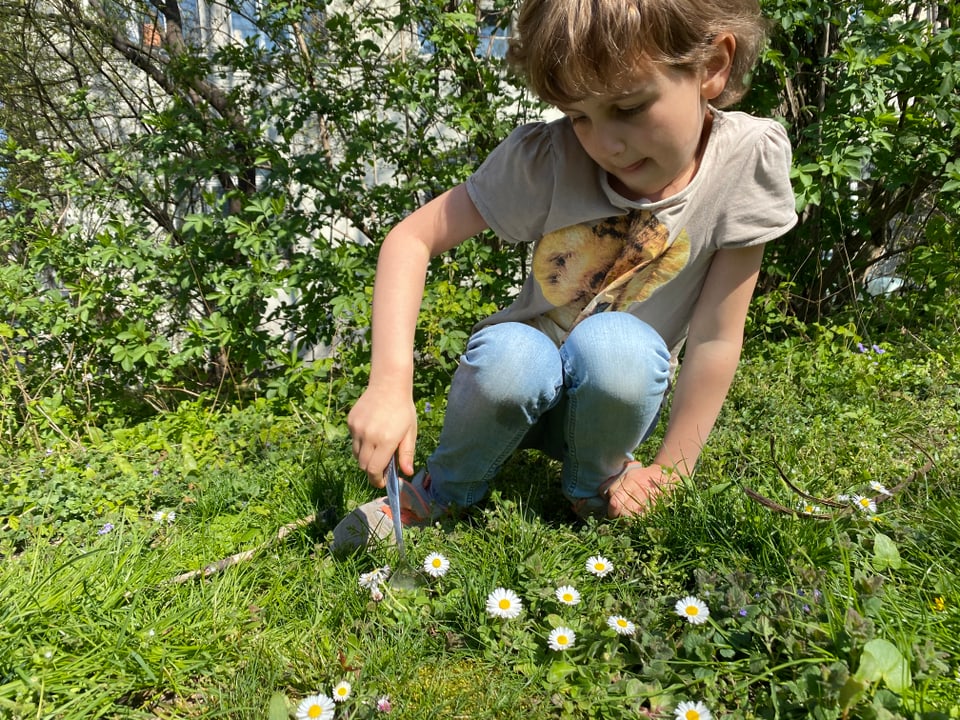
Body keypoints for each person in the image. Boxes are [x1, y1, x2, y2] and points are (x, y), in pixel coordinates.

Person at [332, 0, 797, 552]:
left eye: (628, 107)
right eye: (579, 116)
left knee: (618, 343)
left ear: (712, 66)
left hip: (613, 404)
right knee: (513, 354)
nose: (605, 144)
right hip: (514, 390)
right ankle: (444, 490)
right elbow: (411, 238)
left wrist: (673, 470)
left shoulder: (745, 162)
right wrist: (389, 384)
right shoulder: (548, 159)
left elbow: (718, 338)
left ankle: (595, 489)